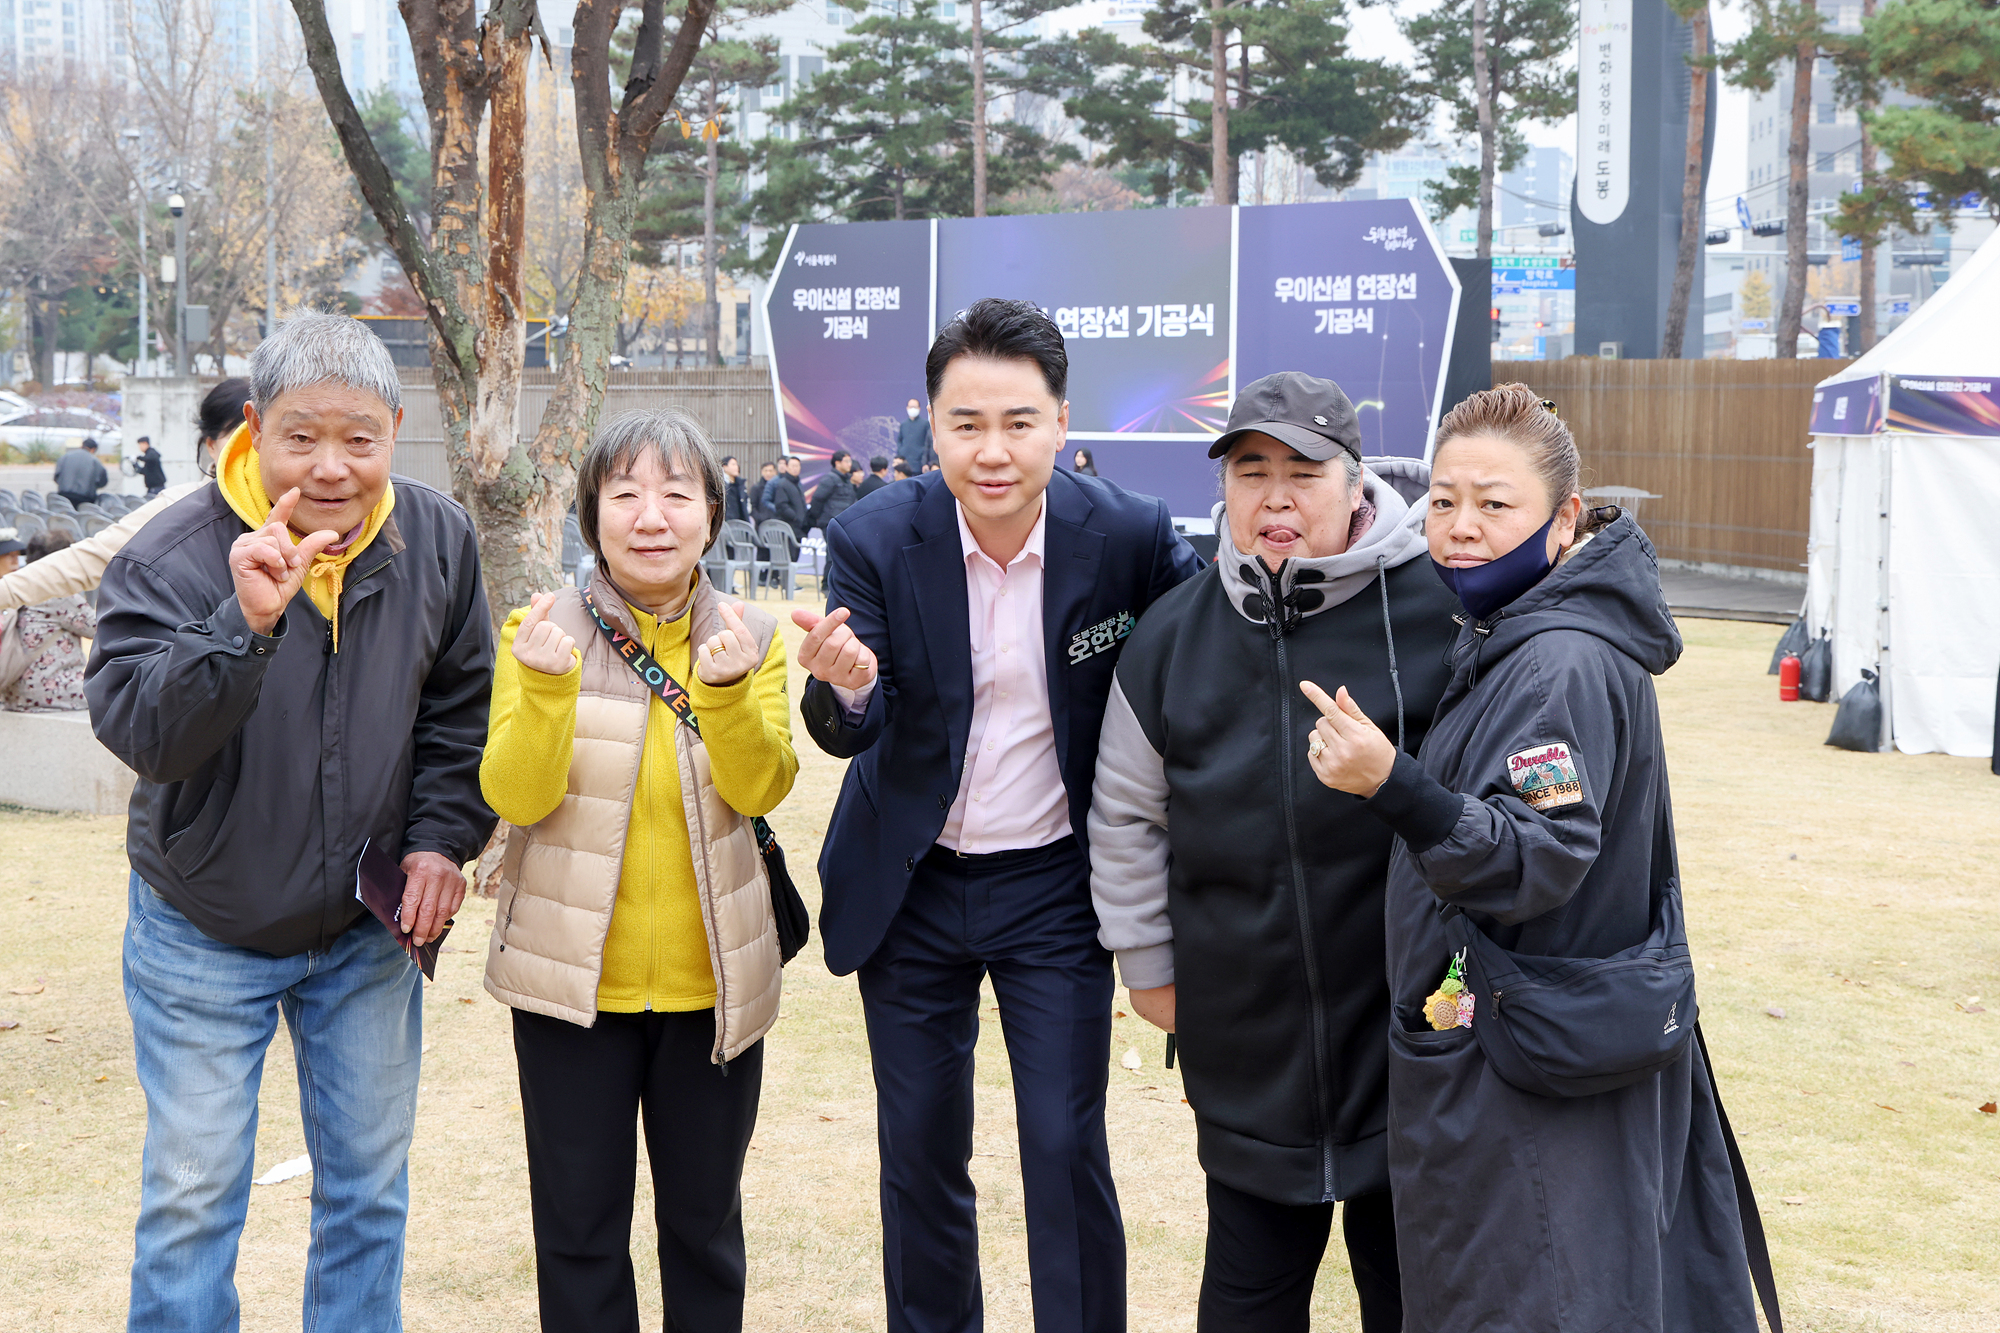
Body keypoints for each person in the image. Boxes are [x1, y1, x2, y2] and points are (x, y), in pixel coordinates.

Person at [1305, 384, 1764, 1333]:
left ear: (1564, 519)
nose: (1460, 526)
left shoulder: (1559, 661)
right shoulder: (1513, 636)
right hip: (1534, 1049)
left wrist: (1392, 782)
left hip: (1533, 1066)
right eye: (1442, 501)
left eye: (1494, 502)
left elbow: (1537, 854)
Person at [794, 297, 1205, 1333]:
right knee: (919, 1147)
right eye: (965, 423)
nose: (992, 450)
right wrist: (847, 686)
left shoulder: (1128, 536)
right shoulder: (872, 537)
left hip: (1054, 884)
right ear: (930, 426)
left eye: (1018, 422)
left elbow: (1207, 654)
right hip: (912, 880)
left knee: (1063, 1145)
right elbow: (849, 725)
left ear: (1061, 423)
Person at [86, 312, 497, 1331]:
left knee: (368, 1191)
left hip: (363, 929)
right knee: (191, 1204)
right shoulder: (172, 554)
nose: (330, 467)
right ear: (254, 429)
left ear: (395, 431)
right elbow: (143, 735)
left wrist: (440, 840)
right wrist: (244, 624)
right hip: (203, 923)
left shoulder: (437, 536)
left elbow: (462, 709)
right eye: (301, 437)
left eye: (359, 438)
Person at [1087, 372, 1461, 1333]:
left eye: (1304, 472)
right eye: (1252, 472)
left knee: (1417, 1293)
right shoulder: (1173, 634)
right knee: (1246, 1296)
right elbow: (1126, 814)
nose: (1276, 497)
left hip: (1412, 1025)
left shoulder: (1440, 609)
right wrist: (1148, 965)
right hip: (1245, 1036)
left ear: (1355, 482)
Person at [480, 409, 798, 1332]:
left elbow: (762, 784)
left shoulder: (752, 635)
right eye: (624, 494)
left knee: (704, 1229)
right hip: (571, 994)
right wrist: (547, 689)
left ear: (711, 513)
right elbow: (515, 795)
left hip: (713, 991)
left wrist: (728, 694)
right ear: (592, 516)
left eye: (676, 493)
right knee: (578, 1233)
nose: (650, 516)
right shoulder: (537, 629)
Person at [0, 379, 248, 613]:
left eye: (262, 433)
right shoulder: (180, 506)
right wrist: (6, 591)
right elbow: (90, 559)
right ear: (211, 445)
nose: (253, 446)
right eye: (239, 435)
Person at [0, 530, 97, 712]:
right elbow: (98, 628)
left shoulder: (18, 588)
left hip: (13, 695)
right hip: (52, 692)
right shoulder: (57, 592)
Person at [806, 449, 862, 532]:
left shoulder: (847, 480)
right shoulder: (830, 479)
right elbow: (818, 499)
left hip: (845, 522)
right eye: (846, 461)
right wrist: (816, 517)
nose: (849, 464)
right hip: (830, 522)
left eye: (850, 461)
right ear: (837, 463)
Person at [54, 436, 108, 508]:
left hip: (63, 497)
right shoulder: (95, 462)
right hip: (84, 499)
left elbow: (57, 476)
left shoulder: (65, 457)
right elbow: (102, 482)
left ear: (82, 446)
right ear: (93, 449)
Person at [765, 455, 808, 538]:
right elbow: (781, 505)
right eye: (793, 466)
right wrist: (795, 517)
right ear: (787, 467)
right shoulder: (782, 484)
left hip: (800, 527)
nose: (795, 468)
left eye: (797, 466)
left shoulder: (798, 483)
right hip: (789, 526)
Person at [896, 394, 935, 472]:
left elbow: (928, 443)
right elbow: (899, 441)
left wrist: (925, 462)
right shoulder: (903, 424)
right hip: (905, 462)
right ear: (907, 408)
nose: (912, 409)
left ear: (919, 408)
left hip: (919, 463)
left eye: (915, 407)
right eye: (911, 407)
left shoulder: (925, 424)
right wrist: (901, 453)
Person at [721, 453, 750, 522]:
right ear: (724, 467)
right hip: (726, 522)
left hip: (740, 522)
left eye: (736, 464)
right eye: (733, 464)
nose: (736, 467)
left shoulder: (740, 484)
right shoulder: (721, 484)